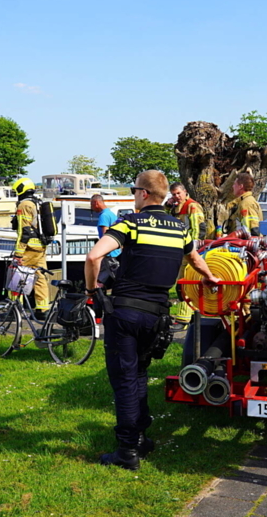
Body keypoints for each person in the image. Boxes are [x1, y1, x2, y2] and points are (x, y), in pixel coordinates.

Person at [85, 170, 220, 470]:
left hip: (126, 314)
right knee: (140, 376)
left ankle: (127, 451)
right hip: (158, 316)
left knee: (124, 380)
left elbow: (94, 257)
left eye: (134, 190)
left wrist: (92, 291)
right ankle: (142, 438)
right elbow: (195, 258)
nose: (134, 195)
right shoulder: (179, 228)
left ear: (144, 193)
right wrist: (210, 277)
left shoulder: (130, 223)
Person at [168, 182, 207, 326]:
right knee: (182, 284)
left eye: (178, 193)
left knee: (185, 283)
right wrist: (168, 206)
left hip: (189, 251)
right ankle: (187, 316)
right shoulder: (176, 207)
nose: (176, 196)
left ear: (185, 192)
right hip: (180, 250)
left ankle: (184, 319)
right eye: (173, 194)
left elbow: (197, 229)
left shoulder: (192, 206)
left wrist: (193, 250)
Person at [12, 178, 50, 317]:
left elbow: (25, 231)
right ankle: (42, 309)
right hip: (41, 247)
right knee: (40, 278)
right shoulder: (37, 202)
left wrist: (18, 253)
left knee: (17, 277)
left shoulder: (24, 205)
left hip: (28, 248)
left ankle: (15, 309)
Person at [224, 172, 262, 236]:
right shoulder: (244, 201)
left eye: (235, 184)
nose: (233, 186)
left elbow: (253, 229)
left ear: (240, 186)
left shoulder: (246, 203)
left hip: (245, 241)